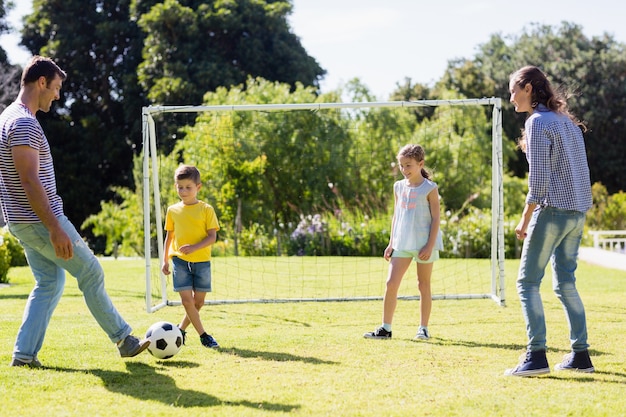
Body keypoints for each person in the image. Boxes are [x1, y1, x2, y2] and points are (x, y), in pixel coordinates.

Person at [0, 56, 150, 368]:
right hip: (39, 220)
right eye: (55, 88)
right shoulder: (24, 122)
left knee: (50, 283)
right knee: (91, 270)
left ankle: (24, 356)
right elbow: (28, 180)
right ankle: (124, 339)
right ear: (41, 82)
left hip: (23, 221)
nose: (57, 95)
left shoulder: (9, 117)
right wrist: (55, 228)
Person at [504, 65, 594, 377]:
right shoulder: (567, 123)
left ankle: (536, 355)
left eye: (514, 90)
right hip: (577, 212)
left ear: (529, 88)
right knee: (565, 283)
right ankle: (580, 355)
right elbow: (582, 171)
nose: (511, 97)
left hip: (552, 211)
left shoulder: (537, 122)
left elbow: (539, 180)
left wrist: (525, 218)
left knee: (527, 282)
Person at [364, 144, 443, 341]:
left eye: (408, 165)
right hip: (401, 243)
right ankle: (386, 328)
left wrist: (429, 245)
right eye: (401, 166)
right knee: (391, 283)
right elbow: (396, 216)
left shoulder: (430, 188)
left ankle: (423, 328)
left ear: (420, 163)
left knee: (423, 285)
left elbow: (436, 219)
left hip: (424, 244)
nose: (404, 170)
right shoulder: (398, 187)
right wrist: (391, 243)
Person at [161, 164, 221, 349]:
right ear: (175, 187)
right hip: (179, 261)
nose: (184, 191)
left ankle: (180, 330)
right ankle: (204, 336)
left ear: (198, 187)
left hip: (202, 262)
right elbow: (169, 237)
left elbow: (212, 236)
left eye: (188, 187)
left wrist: (195, 247)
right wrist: (164, 260)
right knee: (187, 301)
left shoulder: (206, 209)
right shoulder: (172, 210)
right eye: (180, 187)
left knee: (198, 302)